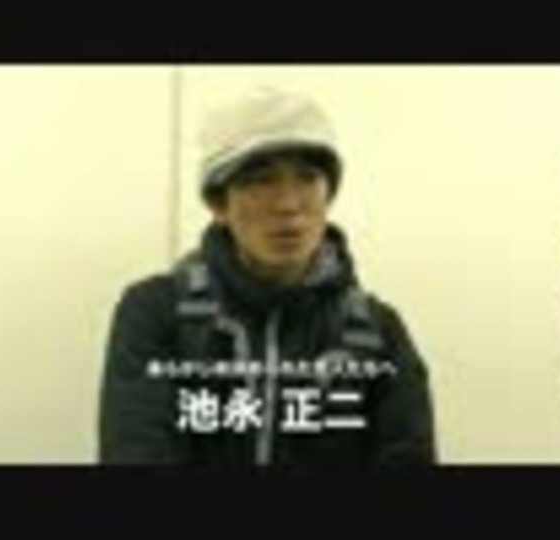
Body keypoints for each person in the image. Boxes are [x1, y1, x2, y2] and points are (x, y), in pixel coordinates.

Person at [99, 88, 436, 465]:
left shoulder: (378, 332)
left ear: (329, 194)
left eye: (308, 178)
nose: (288, 205)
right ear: (218, 203)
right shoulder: (156, 313)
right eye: (261, 181)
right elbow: (136, 449)